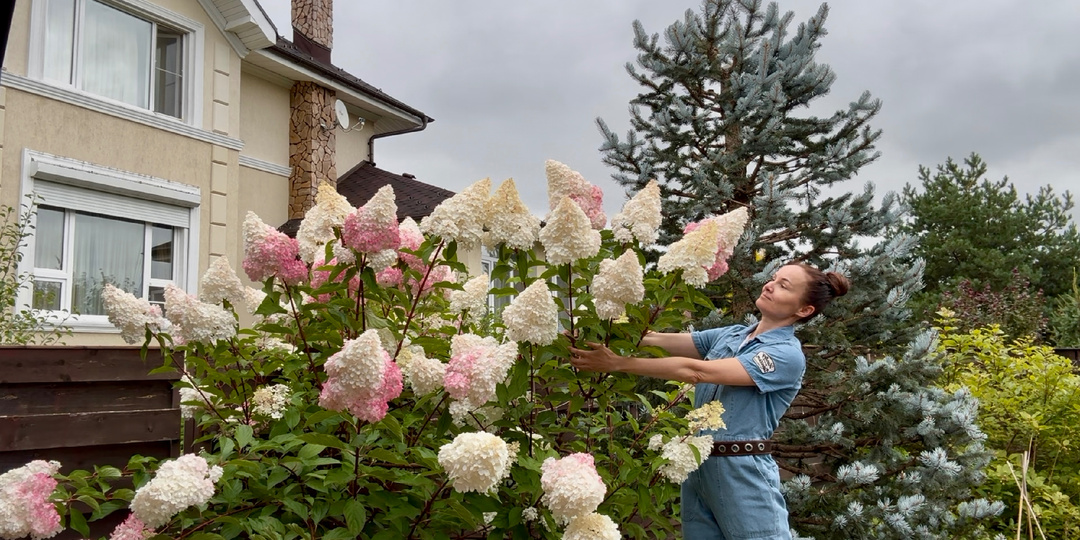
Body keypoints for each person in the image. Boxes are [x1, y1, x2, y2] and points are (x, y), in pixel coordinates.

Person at [569, 263, 850, 540]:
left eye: (783, 285)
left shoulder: (786, 354)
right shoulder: (732, 334)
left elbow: (697, 371)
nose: (769, 285)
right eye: (774, 278)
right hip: (699, 464)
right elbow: (655, 340)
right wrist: (600, 323)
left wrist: (618, 363)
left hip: (742, 469)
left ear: (804, 310)